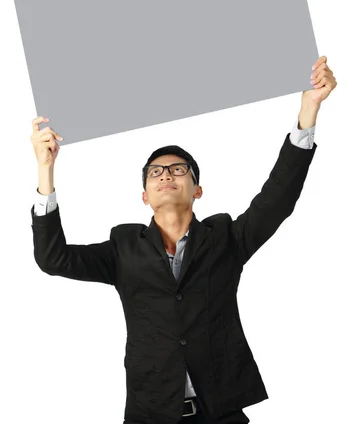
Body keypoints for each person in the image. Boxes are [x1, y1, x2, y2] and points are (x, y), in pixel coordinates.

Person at [30, 56, 337, 424]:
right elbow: (53, 259)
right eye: (155, 172)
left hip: (220, 412)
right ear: (144, 194)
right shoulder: (123, 248)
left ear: (198, 189)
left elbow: (278, 199)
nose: (166, 175)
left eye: (178, 169)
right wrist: (45, 170)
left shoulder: (225, 238)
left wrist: (308, 111)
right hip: (151, 414)